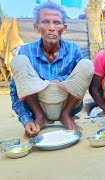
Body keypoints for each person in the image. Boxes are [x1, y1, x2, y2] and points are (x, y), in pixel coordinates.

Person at [10, 2, 94, 137]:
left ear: (64, 28)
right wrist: (26, 120)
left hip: (66, 104)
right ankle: (40, 116)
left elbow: (80, 83)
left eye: (56, 22)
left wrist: (58, 81)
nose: (51, 28)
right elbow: (15, 92)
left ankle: (65, 116)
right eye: (45, 22)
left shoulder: (74, 50)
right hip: (37, 105)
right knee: (18, 61)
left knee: (87, 64)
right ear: (37, 27)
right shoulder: (25, 51)